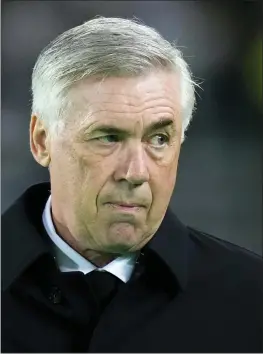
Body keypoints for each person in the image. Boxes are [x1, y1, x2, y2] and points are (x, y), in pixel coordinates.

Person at [2, 16, 262, 353]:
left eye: (159, 138)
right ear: (41, 141)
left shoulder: (251, 298)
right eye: (108, 137)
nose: (136, 172)